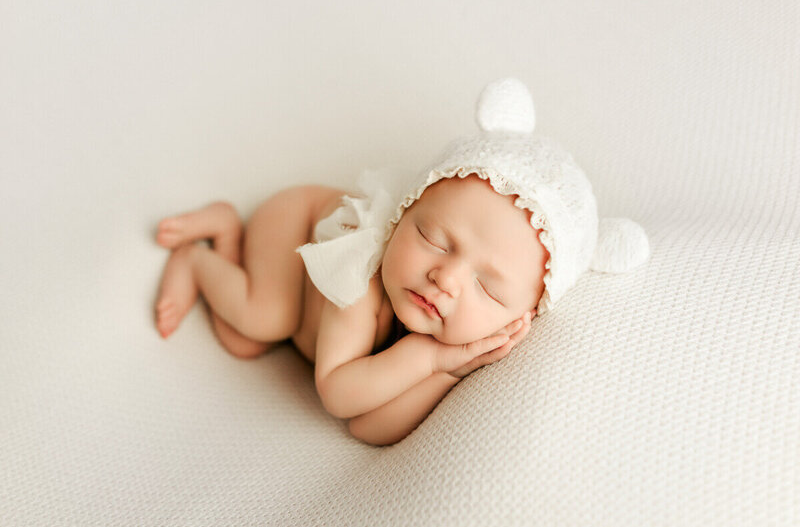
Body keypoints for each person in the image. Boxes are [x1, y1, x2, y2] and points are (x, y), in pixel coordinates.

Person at [154, 78, 650, 446]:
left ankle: (227, 243)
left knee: (240, 342)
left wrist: (448, 373)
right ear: (403, 211)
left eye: (489, 289)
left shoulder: (453, 339)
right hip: (294, 225)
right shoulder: (365, 273)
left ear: (519, 318)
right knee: (264, 315)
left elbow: (371, 428)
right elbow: (339, 395)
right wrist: (431, 359)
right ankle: (199, 255)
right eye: (433, 238)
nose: (447, 277)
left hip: (321, 318)